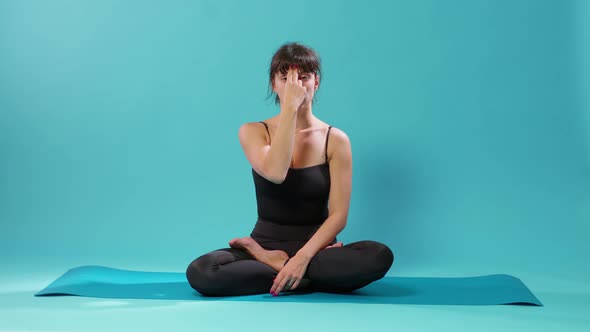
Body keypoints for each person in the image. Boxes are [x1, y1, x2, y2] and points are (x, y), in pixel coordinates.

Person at [186, 42, 394, 296]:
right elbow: (276, 172)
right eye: (286, 78)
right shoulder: (253, 131)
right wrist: (289, 110)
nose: (295, 86)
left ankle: (279, 267)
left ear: (316, 82)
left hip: (317, 250)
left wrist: (303, 257)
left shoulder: (335, 139)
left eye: (303, 77)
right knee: (203, 271)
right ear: (274, 84)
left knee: (378, 255)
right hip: (266, 242)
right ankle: (293, 271)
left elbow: (339, 215)